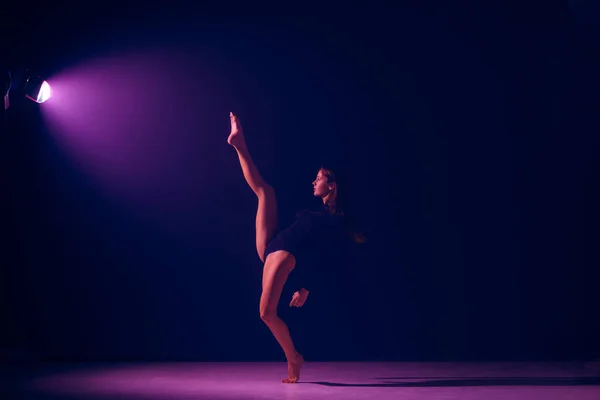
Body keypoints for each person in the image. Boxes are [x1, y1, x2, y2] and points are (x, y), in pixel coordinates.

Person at [227, 112, 364, 383]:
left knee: (266, 313)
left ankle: (294, 358)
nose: (314, 182)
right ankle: (238, 144)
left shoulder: (334, 220)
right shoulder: (315, 212)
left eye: (319, 178)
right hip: (271, 245)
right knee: (266, 192)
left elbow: (326, 258)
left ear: (331, 185)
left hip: (285, 254)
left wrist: (305, 287)